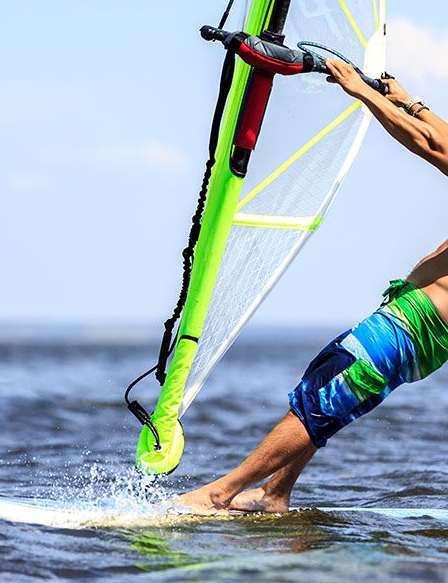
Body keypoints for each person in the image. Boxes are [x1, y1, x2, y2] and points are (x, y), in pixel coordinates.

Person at [177, 58, 448, 514]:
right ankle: (273, 493)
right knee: (325, 387)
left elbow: (430, 146)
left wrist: (362, 94)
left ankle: (218, 494)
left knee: (325, 390)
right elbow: (440, 137)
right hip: (423, 326)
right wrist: (409, 101)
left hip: (419, 323)